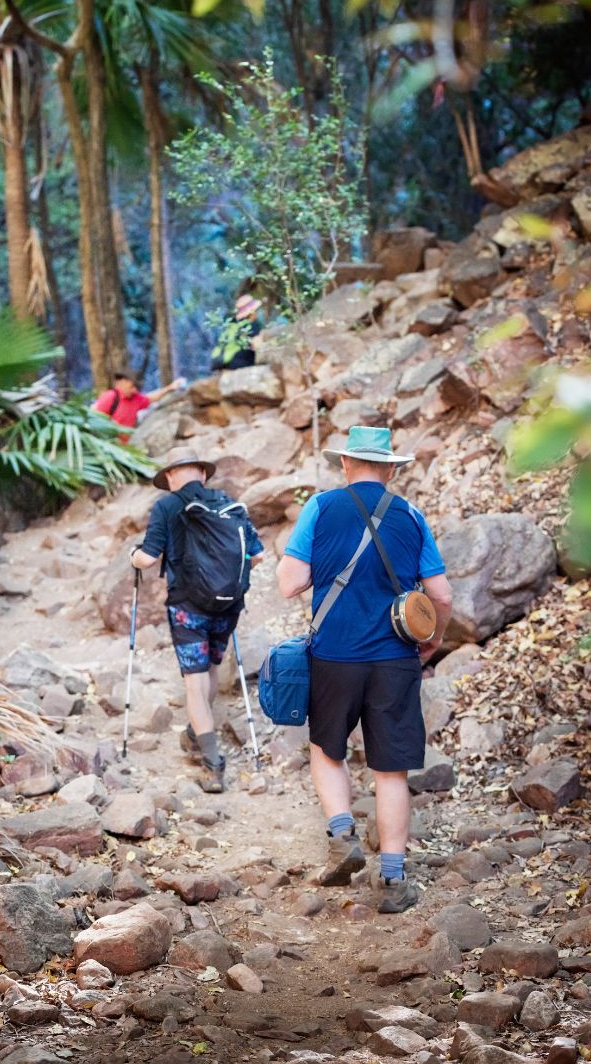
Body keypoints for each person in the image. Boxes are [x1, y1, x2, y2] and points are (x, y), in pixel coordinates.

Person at [276, 425, 453, 914]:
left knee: (326, 747)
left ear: (346, 465)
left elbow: (291, 582)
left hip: (334, 655)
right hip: (397, 657)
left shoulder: (320, 507)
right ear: (392, 469)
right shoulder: (412, 515)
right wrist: (433, 640)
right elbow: (441, 595)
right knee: (390, 767)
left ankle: (341, 836)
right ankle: (393, 880)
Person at [130, 447, 264, 792]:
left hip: (187, 606)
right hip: (227, 605)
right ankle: (197, 731)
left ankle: (213, 762)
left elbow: (147, 558)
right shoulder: (228, 502)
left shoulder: (166, 506)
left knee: (194, 679)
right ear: (201, 474)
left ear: (172, 477)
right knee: (211, 668)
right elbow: (258, 555)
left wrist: (133, 556)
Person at [93, 371, 186, 432]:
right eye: (132, 387)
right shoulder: (110, 397)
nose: (134, 390)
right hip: (111, 445)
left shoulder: (135, 398)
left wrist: (170, 388)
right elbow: (96, 419)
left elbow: (152, 398)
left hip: (128, 445)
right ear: (121, 382)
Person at [211, 294, 264, 371]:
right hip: (242, 362)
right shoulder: (252, 325)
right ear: (252, 312)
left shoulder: (233, 326)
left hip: (226, 362)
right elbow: (257, 345)